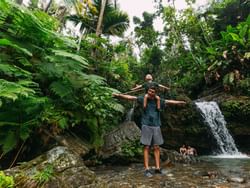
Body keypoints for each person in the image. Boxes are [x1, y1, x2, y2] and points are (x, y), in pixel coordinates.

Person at [113, 86, 186, 177]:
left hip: (156, 125)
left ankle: (157, 168)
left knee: (156, 147)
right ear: (147, 92)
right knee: (146, 146)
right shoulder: (142, 98)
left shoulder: (159, 100)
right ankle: (147, 169)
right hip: (146, 125)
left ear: (155, 93)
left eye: (153, 92)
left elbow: (169, 101)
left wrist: (180, 102)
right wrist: (119, 96)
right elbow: (131, 97)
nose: (151, 93)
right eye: (150, 91)